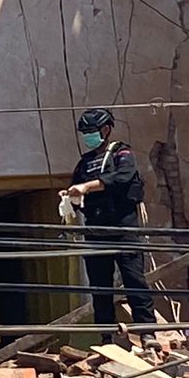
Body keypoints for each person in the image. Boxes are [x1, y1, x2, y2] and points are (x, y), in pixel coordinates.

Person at [60, 108, 157, 337]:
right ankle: (106, 337)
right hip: (95, 231)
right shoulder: (84, 163)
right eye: (85, 132)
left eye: (92, 131)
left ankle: (148, 332)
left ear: (106, 130)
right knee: (100, 289)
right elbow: (77, 189)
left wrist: (88, 187)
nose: (88, 136)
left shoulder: (121, 153)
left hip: (123, 228)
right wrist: (69, 196)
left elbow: (123, 177)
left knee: (134, 281)